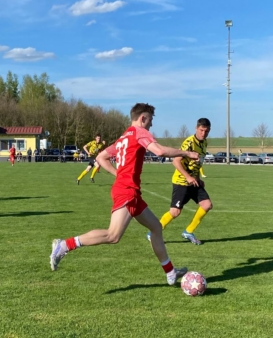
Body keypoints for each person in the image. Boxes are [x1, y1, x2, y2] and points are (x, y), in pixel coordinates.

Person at [50, 103, 199, 285]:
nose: (151, 125)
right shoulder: (139, 132)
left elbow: (101, 157)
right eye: (150, 120)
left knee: (156, 227)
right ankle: (64, 245)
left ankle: (170, 272)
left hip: (129, 190)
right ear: (142, 118)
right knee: (113, 235)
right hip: (127, 191)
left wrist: (118, 174)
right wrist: (186, 153)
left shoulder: (123, 137)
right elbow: (159, 151)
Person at [148, 118, 213, 246]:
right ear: (196, 128)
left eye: (206, 131)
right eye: (201, 130)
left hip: (193, 181)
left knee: (206, 205)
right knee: (175, 212)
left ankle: (188, 232)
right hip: (181, 181)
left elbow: (197, 163)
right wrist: (188, 177)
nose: (203, 133)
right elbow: (176, 161)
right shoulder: (189, 143)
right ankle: (152, 233)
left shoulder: (204, 143)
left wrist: (198, 178)